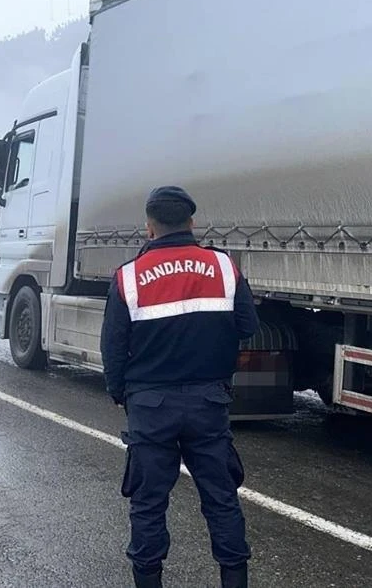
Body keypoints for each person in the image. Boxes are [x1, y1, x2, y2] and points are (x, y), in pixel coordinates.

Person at [101, 186, 258, 588]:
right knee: (221, 498)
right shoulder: (224, 267)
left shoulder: (129, 276)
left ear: (149, 228)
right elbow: (247, 327)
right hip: (209, 400)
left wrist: (121, 393)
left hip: (150, 405)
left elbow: (113, 348)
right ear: (191, 223)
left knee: (148, 501)